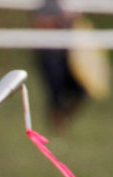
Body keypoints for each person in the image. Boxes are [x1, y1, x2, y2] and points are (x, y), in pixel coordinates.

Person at [32, 0, 87, 131]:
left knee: (81, 90)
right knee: (55, 95)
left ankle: (63, 120)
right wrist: (61, 20)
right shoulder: (46, 4)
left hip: (70, 55)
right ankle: (56, 127)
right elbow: (40, 24)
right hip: (50, 55)